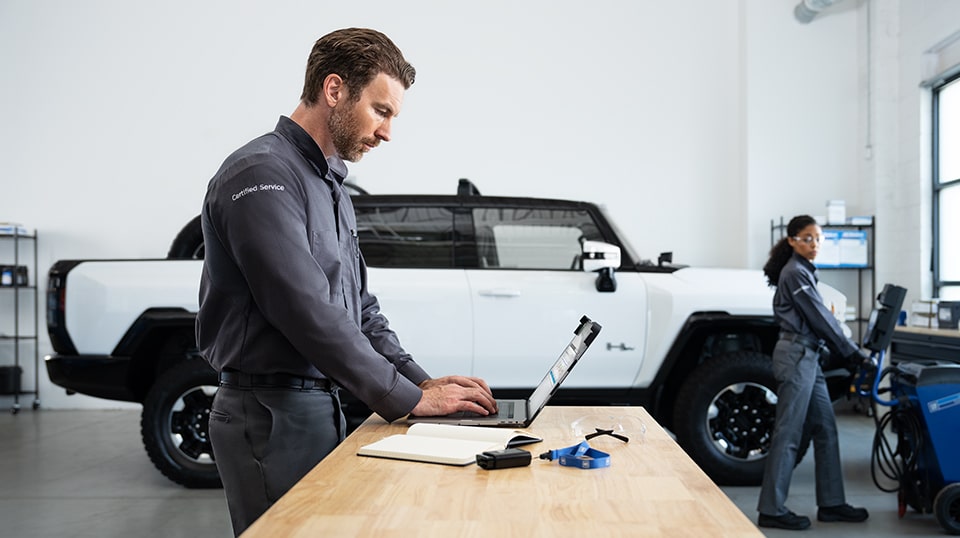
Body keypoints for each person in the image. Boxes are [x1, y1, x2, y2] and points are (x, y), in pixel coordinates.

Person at [195, 28, 498, 536]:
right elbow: (305, 310)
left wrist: (418, 382)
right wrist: (406, 400)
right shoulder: (259, 174)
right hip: (269, 414)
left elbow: (360, 310)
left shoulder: (331, 185)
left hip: (319, 405)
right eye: (381, 111)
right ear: (334, 90)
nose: (387, 133)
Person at [756, 215, 870, 530]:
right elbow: (819, 318)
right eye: (808, 238)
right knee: (789, 432)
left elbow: (819, 320)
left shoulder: (804, 271)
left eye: (819, 238)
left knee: (826, 428)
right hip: (796, 356)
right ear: (792, 240)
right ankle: (772, 509)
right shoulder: (795, 272)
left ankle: (832, 503)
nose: (815, 244)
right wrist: (853, 354)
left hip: (810, 356)